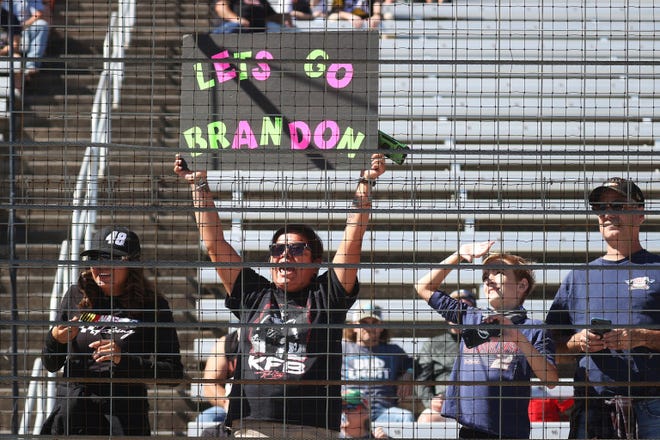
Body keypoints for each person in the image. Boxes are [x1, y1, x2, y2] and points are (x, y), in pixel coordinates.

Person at [173, 153, 386, 438]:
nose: (284, 255)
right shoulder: (253, 294)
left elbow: (353, 237)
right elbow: (214, 244)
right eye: (277, 249)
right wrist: (198, 184)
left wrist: (365, 183)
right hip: (252, 425)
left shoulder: (327, 295)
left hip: (312, 428)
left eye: (297, 250)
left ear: (316, 263)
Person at [40, 226, 185, 436]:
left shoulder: (153, 305)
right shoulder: (75, 295)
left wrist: (122, 359)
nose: (102, 266)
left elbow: (173, 374)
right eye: (96, 259)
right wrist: (55, 340)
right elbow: (51, 364)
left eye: (113, 259)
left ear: (132, 265)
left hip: (124, 417)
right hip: (75, 415)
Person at [545, 177, 660, 439]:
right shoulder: (578, 277)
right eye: (601, 208)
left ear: (640, 214)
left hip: (654, 405)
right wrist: (577, 342)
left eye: (618, 206)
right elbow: (550, 345)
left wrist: (643, 337)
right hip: (594, 406)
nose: (608, 214)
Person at [415, 241, 558, 439]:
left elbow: (550, 380)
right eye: (485, 276)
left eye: (498, 272)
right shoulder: (470, 317)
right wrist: (459, 254)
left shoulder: (534, 329)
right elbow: (423, 287)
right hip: (470, 430)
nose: (489, 280)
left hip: (511, 432)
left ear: (522, 285)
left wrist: (517, 336)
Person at [342, 301, 415, 424]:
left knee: (405, 417)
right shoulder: (342, 349)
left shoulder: (393, 351)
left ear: (381, 326)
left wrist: (409, 373)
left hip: (383, 411)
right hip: (350, 409)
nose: (370, 328)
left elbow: (414, 364)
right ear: (354, 326)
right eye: (364, 323)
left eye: (374, 323)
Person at [414, 289, 477, 416]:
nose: (457, 313)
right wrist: (430, 401)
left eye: (464, 308)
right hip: (444, 405)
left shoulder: (486, 342)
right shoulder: (432, 344)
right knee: (427, 419)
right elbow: (422, 380)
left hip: (476, 403)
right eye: (453, 307)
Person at [196, 330, 240, 426]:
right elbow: (210, 384)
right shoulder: (228, 343)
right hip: (233, 405)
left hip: (276, 406)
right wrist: (227, 402)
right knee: (207, 418)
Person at [2, 0, 49, 78]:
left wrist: (22, 26)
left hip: (26, 28)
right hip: (6, 30)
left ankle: (31, 65)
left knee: (42, 25)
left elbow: (38, 14)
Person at [211, 0, 293, 34]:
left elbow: (271, 16)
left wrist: (284, 17)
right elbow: (221, 8)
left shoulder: (261, 1)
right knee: (236, 26)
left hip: (256, 33)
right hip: (231, 28)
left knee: (282, 29)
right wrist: (238, 20)